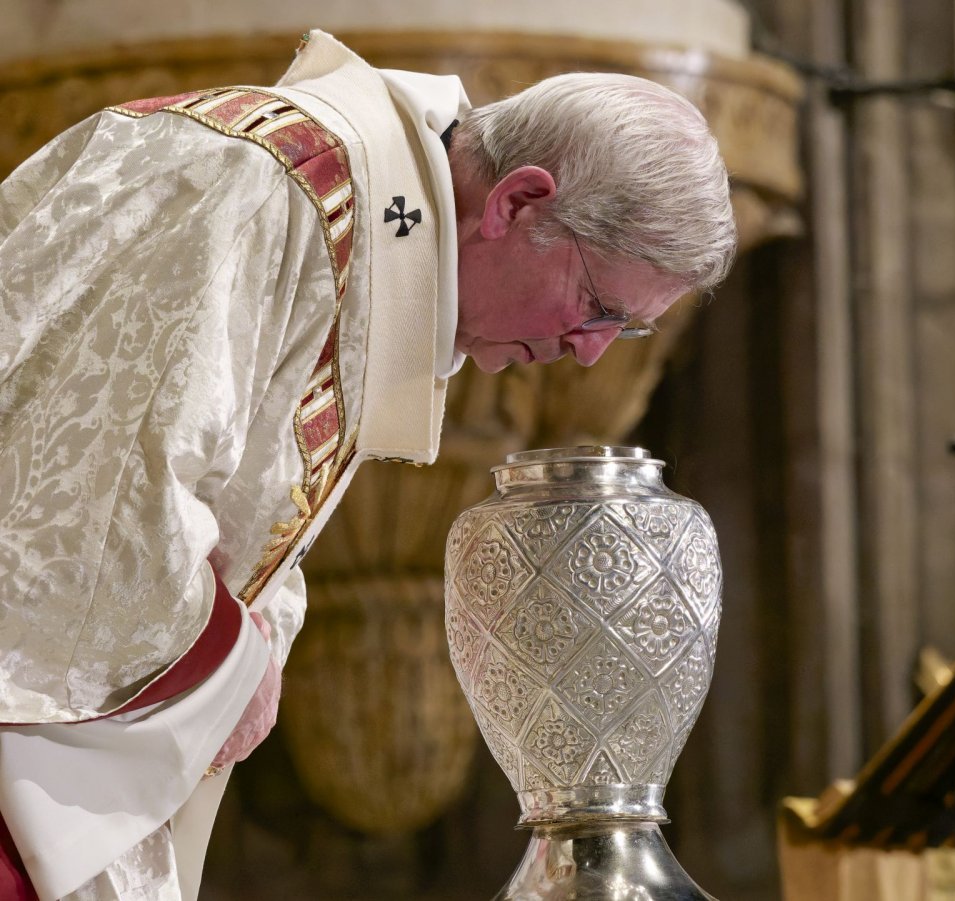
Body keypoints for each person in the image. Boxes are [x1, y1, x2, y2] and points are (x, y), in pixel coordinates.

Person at [0, 29, 735, 900]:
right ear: (518, 202)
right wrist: (235, 661)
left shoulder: (363, 235)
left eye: (626, 331)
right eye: (598, 306)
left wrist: (250, 641)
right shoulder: (258, 182)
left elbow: (239, 510)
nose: (588, 354)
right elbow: (79, 497)